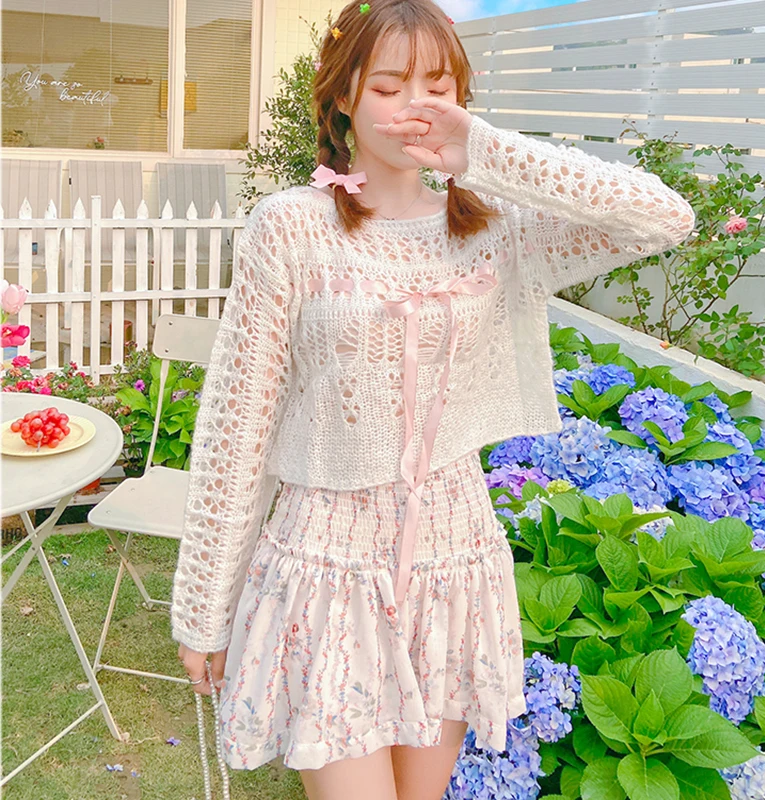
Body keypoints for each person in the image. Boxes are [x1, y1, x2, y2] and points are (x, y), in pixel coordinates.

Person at [171, 0, 695, 798]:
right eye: (388, 86)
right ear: (343, 96)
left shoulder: (497, 228)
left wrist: (482, 151)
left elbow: (663, 218)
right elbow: (238, 423)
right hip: (328, 559)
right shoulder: (291, 228)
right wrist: (206, 608)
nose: (414, 106)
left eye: (437, 87)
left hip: (455, 554)